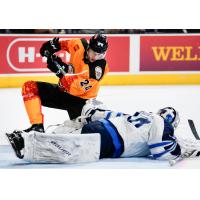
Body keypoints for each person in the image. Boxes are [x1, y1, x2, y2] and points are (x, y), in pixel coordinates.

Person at [6, 101, 200, 164]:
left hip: (102, 128)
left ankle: (23, 138)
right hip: (110, 141)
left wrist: (92, 114)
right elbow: (160, 152)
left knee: (67, 138)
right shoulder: (162, 125)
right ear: (172, 123)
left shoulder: (144, 115)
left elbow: (113, 114)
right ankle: (27, 145)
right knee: (68, 150)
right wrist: (180, 151)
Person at [21, 33, 109, 133]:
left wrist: (60, 71)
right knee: (30, 87)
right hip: (62, 92)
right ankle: (37, 126)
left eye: (100, 55)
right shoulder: (78, 44)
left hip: (81, 102)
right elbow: (63, 45)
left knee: (84, 134)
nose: (96, 57)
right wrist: (50, 46)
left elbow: (75, 89)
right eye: (93, 52)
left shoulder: (99, 69)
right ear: (88, 47)